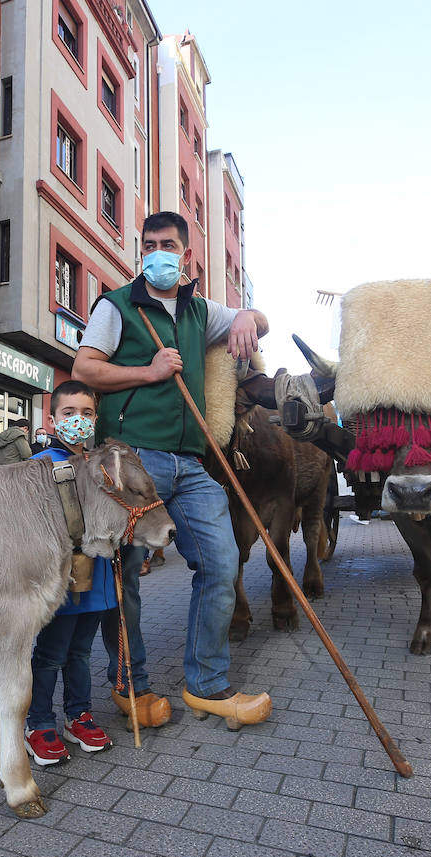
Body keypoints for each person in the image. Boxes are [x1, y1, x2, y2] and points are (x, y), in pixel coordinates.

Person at [73, 209, 271, 728]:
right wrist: (150, 370)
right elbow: (84, 368)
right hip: (130, 458)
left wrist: (251, 316)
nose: (157, 252)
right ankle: (129, 684)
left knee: (222, 563)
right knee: (126, 578)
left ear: (186, 254)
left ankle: (206, 683)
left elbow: (258, 323)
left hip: (190, 462)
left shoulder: (199, 310)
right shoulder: (117, 306)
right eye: (149, 244)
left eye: (168, 244)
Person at [23, 380, 116, 765]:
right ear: (51, 419)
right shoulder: (38, 466)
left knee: (80, 652)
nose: (79, 420)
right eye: (69, 413)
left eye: (87, 413)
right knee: (50, 654)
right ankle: (37, 722)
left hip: (99, 577)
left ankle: (78, 715)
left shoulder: (104, 463)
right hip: (59, 578)